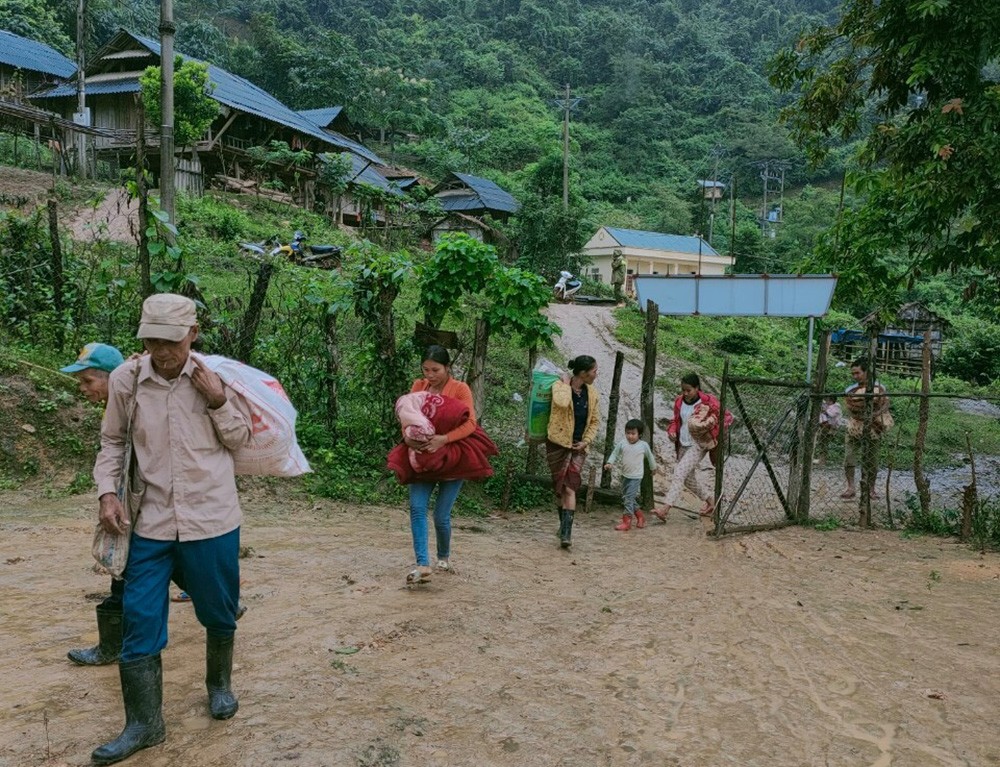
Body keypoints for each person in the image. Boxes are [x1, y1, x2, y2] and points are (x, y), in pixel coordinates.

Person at [90, 293, 253, 765]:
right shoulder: (126, 380)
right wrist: (107, 493)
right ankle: (144, 724)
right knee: (140, 616)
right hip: (151, 520)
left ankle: (219, 684)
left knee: (219, 610)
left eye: (172, 341)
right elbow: (113, 441)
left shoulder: (217, 376)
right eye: (153, 340)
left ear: (192, 334)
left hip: (212, 518)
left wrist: (218, 399)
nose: (163, 351)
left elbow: (241, 439)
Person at [396, 345, 494, 585]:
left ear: (447, 368)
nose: (430, 375)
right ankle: (422, 563)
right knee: (417, 507)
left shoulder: (460, 389)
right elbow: (407, 416)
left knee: (441, 515)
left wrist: (443, 440)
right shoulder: (418, 386)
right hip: (421, 455)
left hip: (452, 456)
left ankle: (443, 556)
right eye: (425, 369)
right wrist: (407, 438)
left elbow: (470, 424)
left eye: (435, 370)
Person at [61, 343, 127, 666]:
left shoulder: (135, 403)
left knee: (131, 568)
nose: (83, 389)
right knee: (124, 571)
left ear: (111, 378)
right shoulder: (112, 407)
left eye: (88, 381)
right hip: (126, 497)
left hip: (148, 501)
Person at [653, 373, 726, 521]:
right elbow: (675, 420)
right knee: (688, 479)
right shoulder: (679, 402)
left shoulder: (707, 401)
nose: (685, 394)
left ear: (696, 388)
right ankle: (711, 501)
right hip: (683, 443)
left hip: (699, 443)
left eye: (688, 390)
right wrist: (672, 430)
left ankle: (665, 509)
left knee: (679, 472)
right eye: (683, 390)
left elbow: (719, 417)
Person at [546, 355, 600, 548]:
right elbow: (561, 402)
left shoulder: (592, 394)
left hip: (578, 447)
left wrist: (586, 441)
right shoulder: (559, 386)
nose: (596, 374)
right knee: (559, 489)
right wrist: (566, 384)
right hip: (558, 443)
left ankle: (566, 535)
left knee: (570, 487)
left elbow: (594, 421)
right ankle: (563, 526)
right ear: (583, 373)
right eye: (594, 371)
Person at [841, 358, 891, 499]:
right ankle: (850, 487)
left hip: (874, 427)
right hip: (855, 426)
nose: (855, 376)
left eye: (858, 373)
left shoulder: (879, 388)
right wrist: (863, 414)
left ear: (866, 372)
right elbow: (850, 408)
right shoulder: (850, 390)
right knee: (849, 457)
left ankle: (871, 489)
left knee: (872, 460)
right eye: (853, 374)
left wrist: (874, 414)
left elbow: (885, 404)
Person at [604, 418, 656, 531]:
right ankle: (641, 517)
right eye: (628, 433)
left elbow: (650, 457)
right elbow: (615, 453)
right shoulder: (622, 443)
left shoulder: (643, 445)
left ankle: (626, 522)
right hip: (625, 475)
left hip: (636, 477)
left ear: (639, 434)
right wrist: (609, 463)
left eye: (633, 433)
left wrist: (653, 468)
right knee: (627, 498)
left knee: (628, 498)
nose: (630, 436)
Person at [814, 396, 843, 465]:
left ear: (831, 401)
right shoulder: (829, 406)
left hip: (830, 427)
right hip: (824, 425)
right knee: (822, 442)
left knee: (823, 442)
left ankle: (822, 460)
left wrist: (824, 410)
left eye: (827, 400)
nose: (826, 401)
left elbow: (832, 414)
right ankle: (821, 459)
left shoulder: (836, 406)